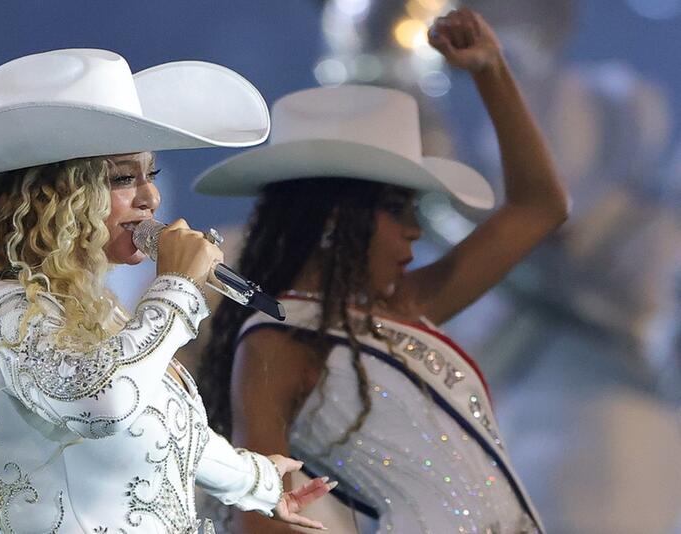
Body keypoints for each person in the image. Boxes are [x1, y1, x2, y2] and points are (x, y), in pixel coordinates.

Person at [0, 48, 337, 534]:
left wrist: (261, 482)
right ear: (51, 196)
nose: (150, 197)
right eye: (122, 179)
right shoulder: (4, 315)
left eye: (149, 174)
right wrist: (175, 288)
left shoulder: (100, 322)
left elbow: (159, 432)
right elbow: (102, 401)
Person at [195, 9, 567, 533]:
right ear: (333, 218)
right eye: (398, 209)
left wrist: (490, 70)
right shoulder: (277, 340)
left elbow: (540, 208)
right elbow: (263, 520)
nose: (416, 230)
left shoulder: (403, 306)